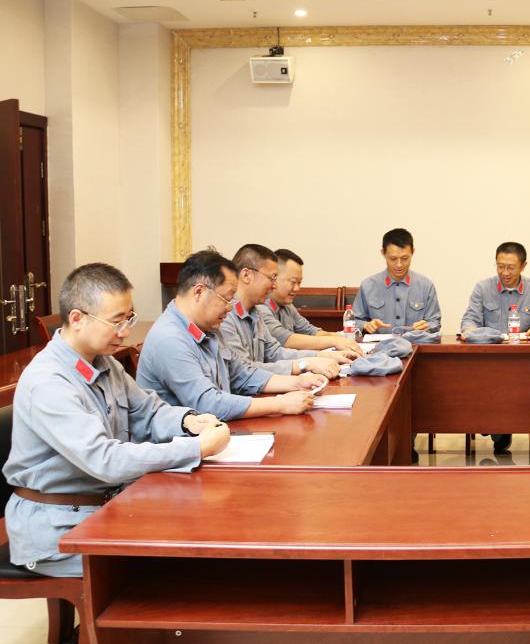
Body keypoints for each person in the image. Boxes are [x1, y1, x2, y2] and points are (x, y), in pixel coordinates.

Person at [3, 263, 231, 578]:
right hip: (58, 529)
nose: (124, 332)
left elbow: (148, 411)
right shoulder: (49, 382)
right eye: (116, 322)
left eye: (128, 319)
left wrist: (189, 421)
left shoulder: (104, 362)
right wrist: (196, 448)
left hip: (104, 507)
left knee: (202, 526)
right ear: (77, 319)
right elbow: (105, 460)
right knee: (180, 559)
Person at [137, 249, 324, 419]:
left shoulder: (209, 328)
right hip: (182, 442)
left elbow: (242, 375)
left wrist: (297, 383)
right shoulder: (170, 338)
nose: (230, 308)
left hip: (217, 432)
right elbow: (208, 403)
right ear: (199, 292)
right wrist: (279, 404)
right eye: (226, 299)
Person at [460, 241, 530, 453]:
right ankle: (497, 427)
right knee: (484, 380)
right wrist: (468, 330)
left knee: (511, 382)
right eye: (500, 266)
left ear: (523, 266)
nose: (505, 273)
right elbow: (469, 319)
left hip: (523, 363)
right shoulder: (483, 287)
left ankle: (498, 427)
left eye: (511, 267)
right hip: (488, 360)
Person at [219, 244, 357, 378]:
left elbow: (274, 353)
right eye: (272, 278)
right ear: (246, 275)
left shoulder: (255, 311)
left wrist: (322, 356)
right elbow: (243, 372)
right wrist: (304, 365)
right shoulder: (225, 315)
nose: (274, 285)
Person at [257, 248, 362, 353]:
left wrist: (343, 338)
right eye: (293, 282)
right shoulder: (260, 306)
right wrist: (334, 341)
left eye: (299, 283)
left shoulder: (287, 306)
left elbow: (311, 331)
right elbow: (287, 339)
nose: (297, 288)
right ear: (274, 278)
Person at [352, 228, 441, 334]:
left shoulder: (426, 286)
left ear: (413, 252)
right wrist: (365, 325)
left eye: (405, 258)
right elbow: (354, 321)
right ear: (383, 253)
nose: (399, 264)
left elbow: (435, 322)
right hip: (380, 344)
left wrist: (427, 326)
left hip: (414, 343)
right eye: (393, 259)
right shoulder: (368, 285)